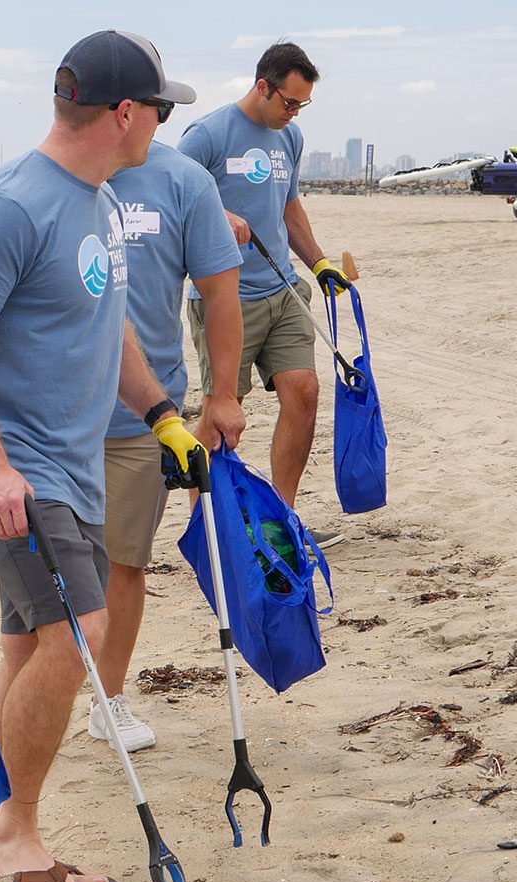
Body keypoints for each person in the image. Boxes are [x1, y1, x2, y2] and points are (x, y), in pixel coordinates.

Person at [0, 30, 204, 882]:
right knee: (76, 629)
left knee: (28, 648)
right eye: (159, 110)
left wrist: (161, 412)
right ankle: (16, 837)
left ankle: (1, 832)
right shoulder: (10, 206)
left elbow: (105, 318)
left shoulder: (99, 200)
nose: (162, 124)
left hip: (69, 472)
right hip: (15, 479)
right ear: (125, 113)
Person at [91, 140, 244, 752]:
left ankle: (109, 698)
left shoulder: (186, 182)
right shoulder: (59, 178)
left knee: (124, 562)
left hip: (142, 415)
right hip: (49, 422)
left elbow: (220, 294)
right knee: (46, 571)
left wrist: (222, 396)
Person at [177, 41, 350, 547]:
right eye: (290, 102)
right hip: (224, 299)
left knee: (305, 391)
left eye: (303, 105)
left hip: (282, 290)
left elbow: (289, 207)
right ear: (262, 86)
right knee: (219, 416)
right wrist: (216, 215)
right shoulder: (206, 136)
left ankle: (281, 522)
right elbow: (170, 198)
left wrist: (318, 263)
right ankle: (204, 530)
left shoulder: (289, 138)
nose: (295, 113)